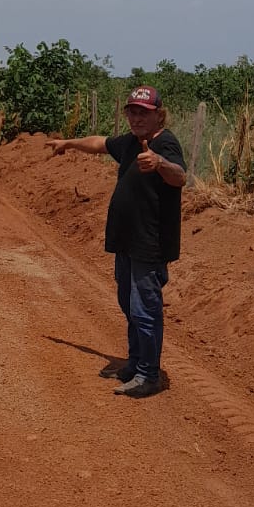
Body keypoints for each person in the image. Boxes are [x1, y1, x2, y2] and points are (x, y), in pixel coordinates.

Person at [46, 86, 186, 397]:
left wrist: (159, 162)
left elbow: (180, 176)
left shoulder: (164, 143)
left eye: (143, 112)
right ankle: (136, 363)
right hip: (127, 242)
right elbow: (99, 143)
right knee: (128, 304)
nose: (136, 117)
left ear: (158, 115)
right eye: (132, 111)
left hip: (149, 246)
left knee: (145, 309)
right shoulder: (130, 143)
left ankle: (150, 375)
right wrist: (68, 142)